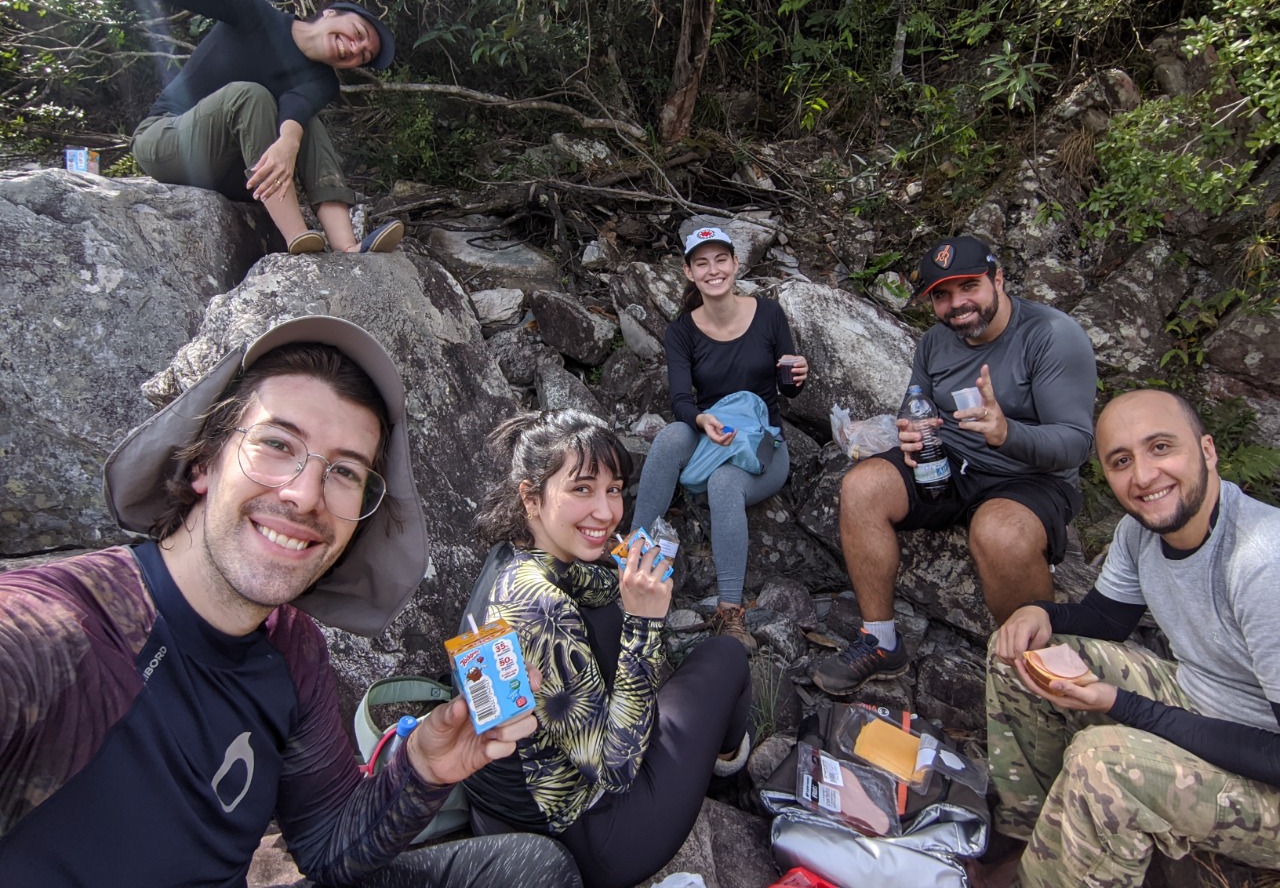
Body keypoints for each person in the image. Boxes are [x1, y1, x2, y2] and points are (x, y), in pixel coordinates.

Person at [0, 316, 581, 888]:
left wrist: (424, 767)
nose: (304, 494)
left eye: (344, 472)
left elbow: (328, 845)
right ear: (204, 461)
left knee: (533, 867)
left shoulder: (291, 645)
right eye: (277, 444)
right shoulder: (61, 630)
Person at [979, 389, 1280, 888]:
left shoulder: (1262, 562)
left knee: (1103, 762)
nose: (1143, 477)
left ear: (1207, 449)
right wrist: (1039, 611)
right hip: (1205, 701)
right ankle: (1035, 838)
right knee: (1020, 655)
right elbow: (1106, 619)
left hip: (1267, 772)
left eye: (1161, 447)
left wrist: (1121, 704)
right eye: (1122, 461)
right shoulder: (1140, 533)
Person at [464, 409, 754, 888]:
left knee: (613, 619)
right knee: (725, 657)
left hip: (512, 807)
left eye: (614, 489)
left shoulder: (514, 557)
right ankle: (727, 767)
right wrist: (643, 622)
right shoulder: (534, 606)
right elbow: (616, 767)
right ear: (531, 497)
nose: (606, 511)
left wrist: (620, 563)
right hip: (588, 833)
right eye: (582, 489)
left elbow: (594, 586)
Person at [813, 234, 1097, 696]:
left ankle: (1037, 671)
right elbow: (916, 403)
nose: (956, 304)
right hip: (948, 460)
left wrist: (1008, 432)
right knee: (862, 486)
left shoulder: (1051, 336)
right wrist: (909, 432)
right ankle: (881, 641)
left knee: (999, 533)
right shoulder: (935, 343)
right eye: (942, 295)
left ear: (998, 279)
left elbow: (1075, 445)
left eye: (969, 287)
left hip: (1029, 477)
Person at [126, 0, 404, 255]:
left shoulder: (324, 81)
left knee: (306, 122)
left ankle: (347, 246)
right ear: (331, 13)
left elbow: (297, 108)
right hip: (166, 141)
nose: (355, 49)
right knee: (252, 95)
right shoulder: (253, 15)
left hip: (234, 174)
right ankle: (297, 236)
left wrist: (289, 141)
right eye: (359, 34)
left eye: (363, 56)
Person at [629, 225, 808, 649]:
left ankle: (730, 612)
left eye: (720, 260)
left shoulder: (768, 314)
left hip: (764, 443)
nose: (713, 270)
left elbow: (789, 388)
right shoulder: (682, 332)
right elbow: (680, 401)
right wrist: (703, 420)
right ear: (689, 271)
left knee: (723, 482)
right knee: (672, 435)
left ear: (736, 264)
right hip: (711, 433)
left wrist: (798, 376)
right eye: (702, 263)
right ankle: (632, 560)